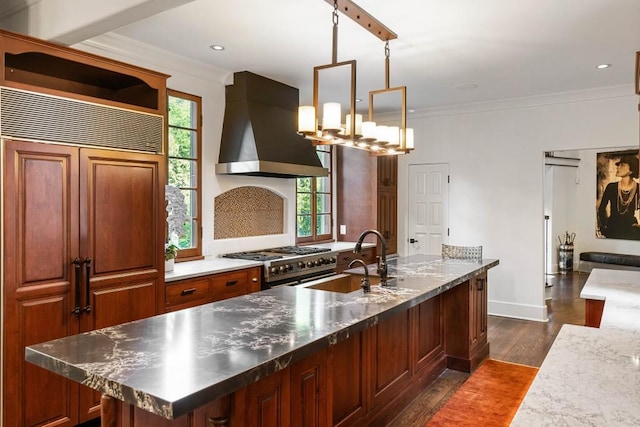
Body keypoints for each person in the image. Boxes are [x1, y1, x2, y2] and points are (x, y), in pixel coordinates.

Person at [597, 154, 640, 239]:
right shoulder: (611, 187)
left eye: (622, 165)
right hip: (612, 228)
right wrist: (604, 225)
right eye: (618, 165)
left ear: (631, 169)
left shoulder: (638, 188)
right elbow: (601, 208)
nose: (618, 167)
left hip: (631, 230)